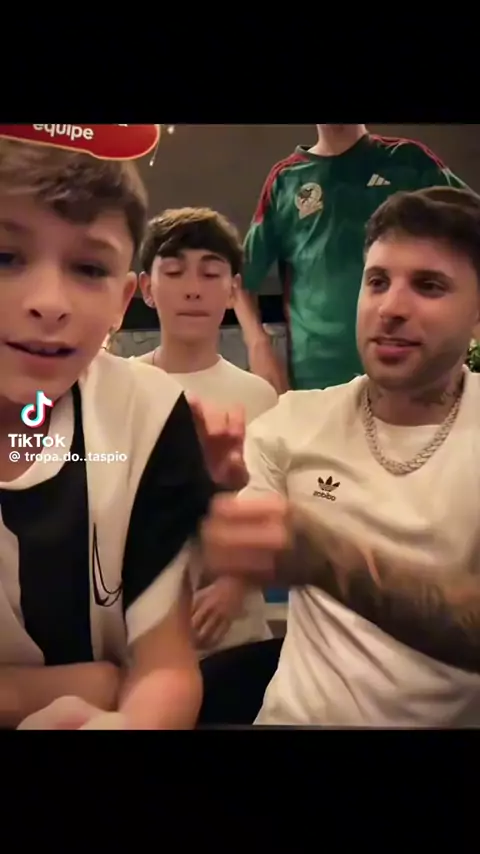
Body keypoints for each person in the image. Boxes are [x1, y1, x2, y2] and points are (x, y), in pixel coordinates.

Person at [201, 186, 480, 727]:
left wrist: (330, 560)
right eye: (377, 281)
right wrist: (207, 504)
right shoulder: (294, 422)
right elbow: (221, 557)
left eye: (428, 285)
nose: (390, 308)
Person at [0, 137, 234, 730]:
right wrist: (64, 686)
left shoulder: (148, 415)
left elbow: (164, 666)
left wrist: (125, 721)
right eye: (5, 257)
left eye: (88, 269)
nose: (48, 303)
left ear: (123, 300)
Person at [137, 206, 277, 656]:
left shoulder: (257, 397)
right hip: (136, 638)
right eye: (175, 272)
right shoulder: (117, 386)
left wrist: (236, 584)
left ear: (233, 289)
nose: (193, 289)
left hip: (232, 638)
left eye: (211, 273)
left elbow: (271, 511)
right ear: (146, 288)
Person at [235, 124, 467, 394]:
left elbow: (472, 230)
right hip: (318, 378)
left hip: (410, 369)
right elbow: (241, 281)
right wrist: (258, 346)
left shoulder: (410, 161)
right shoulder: (286, 180)